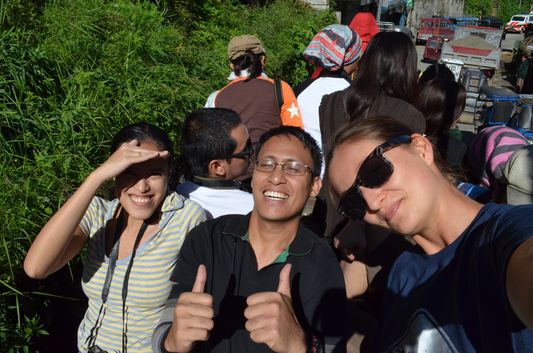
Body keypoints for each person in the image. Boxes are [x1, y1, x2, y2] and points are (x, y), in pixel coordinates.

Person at [327, 116, 533, 352]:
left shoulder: (507, 235)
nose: (372, 202)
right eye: (354, 202)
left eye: (375, 171)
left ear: (421, 149)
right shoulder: (402, 275)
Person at [152, 126, 346, 353]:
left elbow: (334, 345)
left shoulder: (322, 261)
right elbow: (169, 319)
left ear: (314, 186)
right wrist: (172, 340)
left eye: (293, 168)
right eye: (267, 164)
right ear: (253, 176)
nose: (276, 177)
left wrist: (299, 344)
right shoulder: (208, 237)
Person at [24, 122, 206, 353]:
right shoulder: (99, 214)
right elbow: (36, 268)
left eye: (154, 174)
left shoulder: (185, 218)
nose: (141, 188)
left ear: (170, 171)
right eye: (128, 173)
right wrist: (95, 178)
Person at [205, 34, 303, 148]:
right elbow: (296, 136)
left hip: (234, 164)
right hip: (271, 162)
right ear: (262, 59)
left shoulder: (216, 97)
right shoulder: (280, 88)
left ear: (231, 65)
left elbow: (209, 143)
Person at [294, 24, 363, 172]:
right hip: (340, 176)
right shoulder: (357, 93)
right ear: (349, 56)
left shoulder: (300, 90)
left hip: (304, 172)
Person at [177, 108, 254, 219]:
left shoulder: (177, 194)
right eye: (246, 149)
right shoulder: (251, 207)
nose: (251, 151)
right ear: (218, 167)